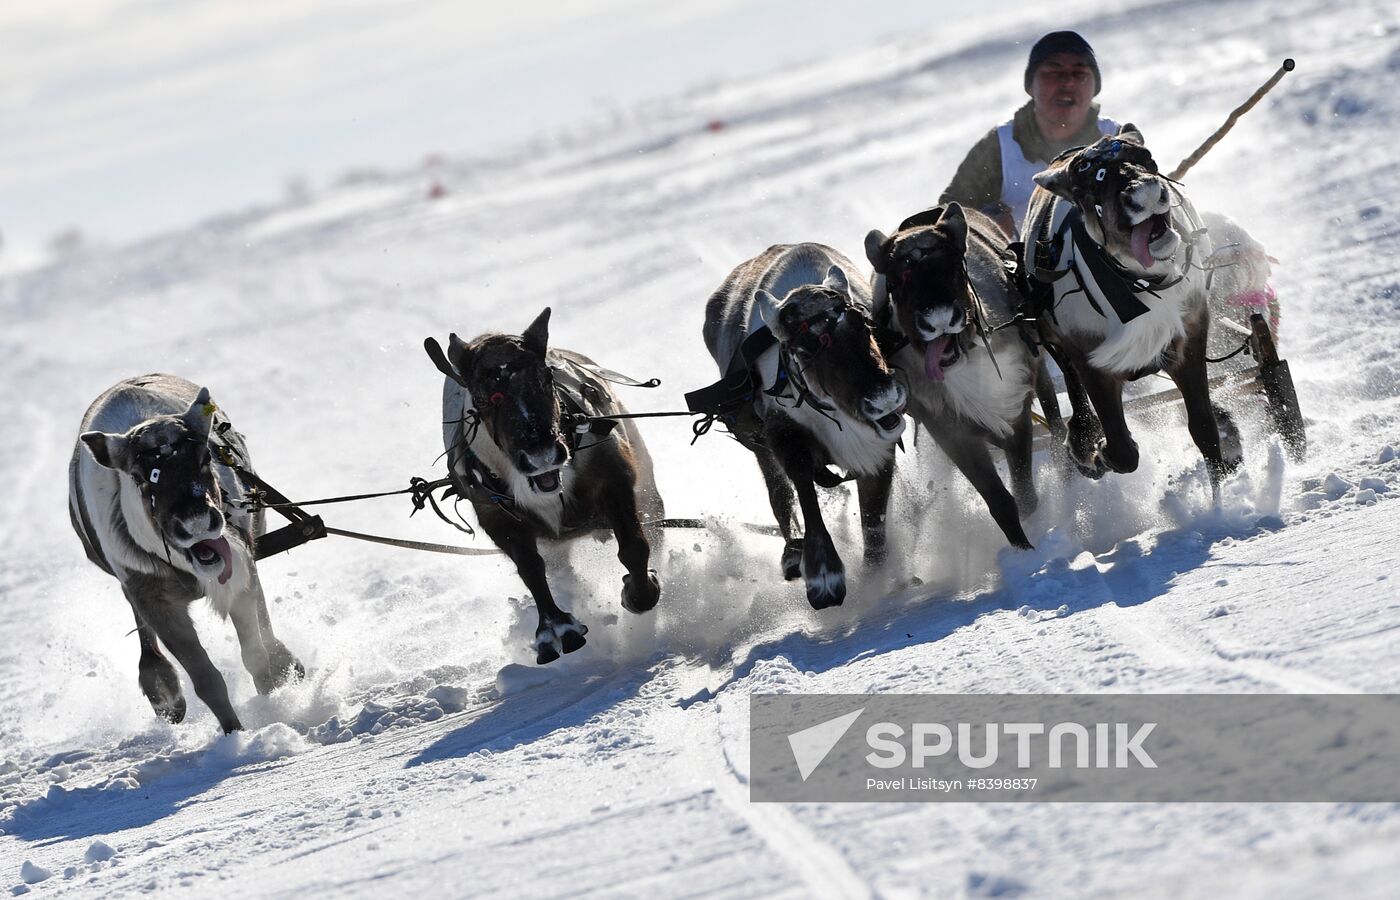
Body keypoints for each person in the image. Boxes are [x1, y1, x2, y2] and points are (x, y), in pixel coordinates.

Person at [939, 31, 1119, 238]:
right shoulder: (1000, 148)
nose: (1067, 83)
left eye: (1079, 74)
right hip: (1018, 268)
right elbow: (947, 215)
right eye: (1054, 72)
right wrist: (986, 226)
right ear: (1030, 86)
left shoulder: (1116, 141)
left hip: (1107, 267)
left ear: (1095, 87)